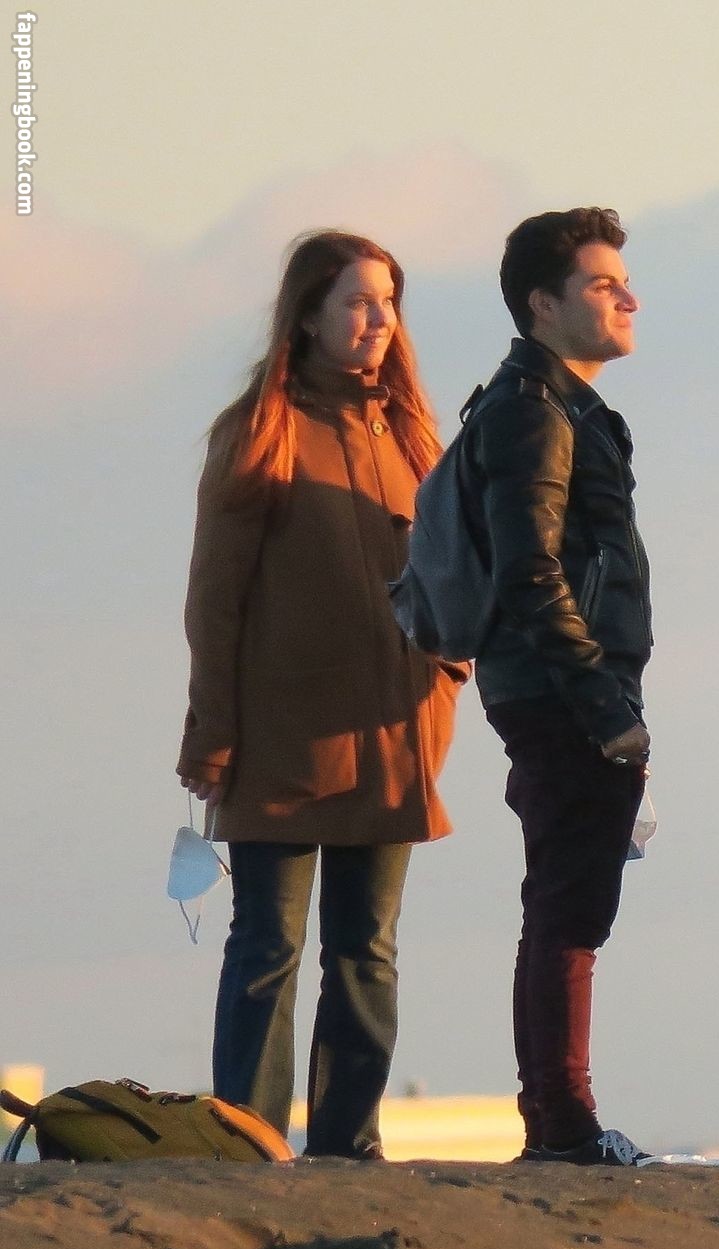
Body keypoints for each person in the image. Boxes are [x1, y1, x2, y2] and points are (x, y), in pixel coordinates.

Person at [178, 230, 464, 1159]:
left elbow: (460, 571)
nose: (379, 320)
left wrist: (447, 675)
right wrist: (212, 734)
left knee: (367, 948)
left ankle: (349, 1145)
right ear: (307, 316)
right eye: (357, 301)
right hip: (282, 738)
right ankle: (249, 1141)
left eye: (389, 301)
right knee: (268, 944)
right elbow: (214, 600)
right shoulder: (258, 430)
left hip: (394, 737)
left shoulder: (415, 433)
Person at [467, 207, 655, 1165]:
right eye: (600, 284)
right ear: (543, 304)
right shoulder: (533, 410)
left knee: (566, 902)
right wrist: (604, 706)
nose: (627, 298)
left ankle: (557, 1118)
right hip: (561, 691)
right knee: (569, 908)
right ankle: (565, 1124)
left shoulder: (561, 406)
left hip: (564, 686)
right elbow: (529, 571)